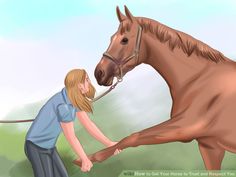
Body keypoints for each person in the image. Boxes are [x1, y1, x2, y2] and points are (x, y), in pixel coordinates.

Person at [24, 69, 121, 177]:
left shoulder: (73, 98)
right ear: (79, 85)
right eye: (86, 80)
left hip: (49, 147)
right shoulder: (64, 106)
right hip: (35, 146)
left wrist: (108, 143)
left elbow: (88, 125)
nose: (89, 83)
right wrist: (84, 159)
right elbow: (71, 136)